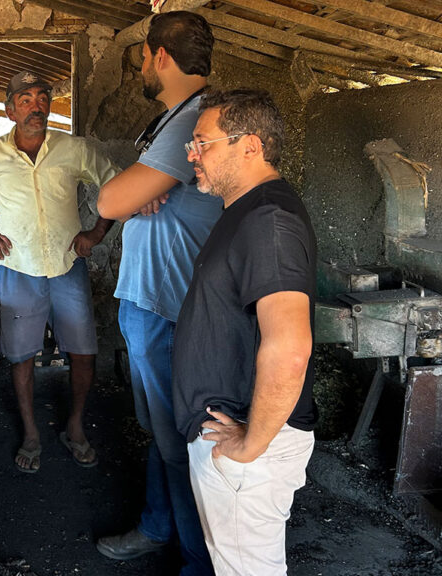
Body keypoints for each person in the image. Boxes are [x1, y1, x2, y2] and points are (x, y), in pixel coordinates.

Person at [93, 11, 219, 574]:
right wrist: (135, 189)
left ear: (160, 56)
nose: (142, 67)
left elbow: (107, 202)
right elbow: (130, 193)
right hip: (151, 297)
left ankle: (196, 560)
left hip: (170, 302)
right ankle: (156, 526)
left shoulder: (190, 119)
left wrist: (127, 191)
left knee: (179, 440)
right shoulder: (173, 121)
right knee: (161, 430)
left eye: (144, 57)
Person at [174, 88, 317, 575]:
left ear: (250, 146)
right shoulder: (245, 211)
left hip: (250, 444)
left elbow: (290, 346)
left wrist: (250, 445)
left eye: (202, 143)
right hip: (236, 430)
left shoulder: (266, 220)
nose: (191, 154)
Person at [0, 71, 119, 473]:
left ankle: (76, 427)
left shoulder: (73, 149)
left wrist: (97, 232)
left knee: (83, 354)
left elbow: (116, 184)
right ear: (10, 109)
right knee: (22, 357)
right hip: (18, 267)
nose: (36, 105)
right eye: (26, 99)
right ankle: (32, 433)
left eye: (43, 97)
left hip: (68, 265)